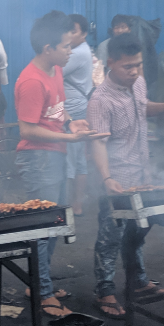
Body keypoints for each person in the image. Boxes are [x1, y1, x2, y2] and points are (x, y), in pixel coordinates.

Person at [14, 11, 106, 318]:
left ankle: (39, 283)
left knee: (55, 223)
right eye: (66, 46)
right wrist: (68, 139)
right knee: (43, 225)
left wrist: (73, 123)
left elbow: (56, 112)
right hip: (39, 159)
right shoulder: (31, 80)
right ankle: (42, 291)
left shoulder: (54, 71)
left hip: (56, 155)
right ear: (47, 48)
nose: (71, 51)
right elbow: (27, 129)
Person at [87, 35, 164, 319]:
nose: (135, 71)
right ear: (110, 63)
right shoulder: (100, 100)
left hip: (142, 172)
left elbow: (143, 106)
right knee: (110, 236)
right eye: (128, 66)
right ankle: (104, 289)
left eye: (138, 64)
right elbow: (98, 142)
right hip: (115, 178)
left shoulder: (137, 83)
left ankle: (137, 281)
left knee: (139, 231)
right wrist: (106, 179)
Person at [63, 15, 93, 216]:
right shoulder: (81, 50)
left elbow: (54, 68)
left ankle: (71, 205)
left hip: (72, 109)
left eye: (73, 31)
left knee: (71, 159)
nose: (69, 35)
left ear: (84, 34)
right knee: (78, 158)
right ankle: (77, 204)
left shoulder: (78, 53)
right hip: (78, 106)